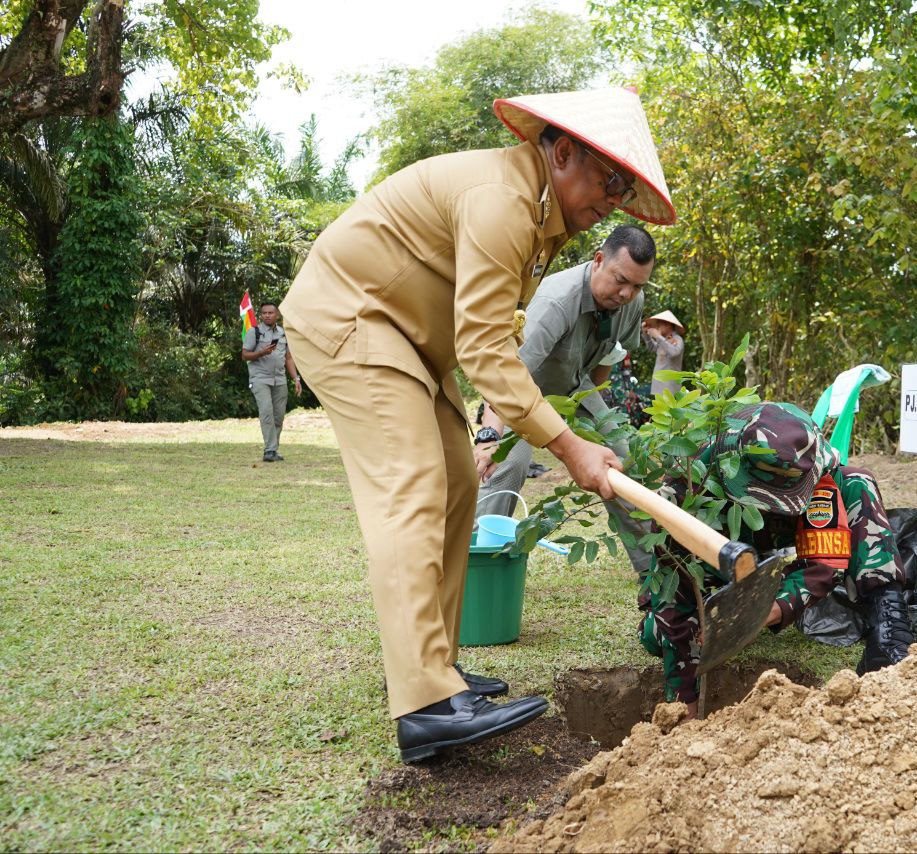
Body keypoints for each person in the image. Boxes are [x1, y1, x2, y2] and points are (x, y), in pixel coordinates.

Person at [279, 87, 676, 762]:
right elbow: (488, 350)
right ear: (561, 151)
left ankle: (435, 669)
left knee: (460, 480)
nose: (613, 200)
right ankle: (425, 702)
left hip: (404, 338)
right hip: (352, 318)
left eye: (623, 189)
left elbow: (490, 326)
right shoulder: (503, 201)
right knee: (413, 483)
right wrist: (568, 445)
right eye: (609, 181)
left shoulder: (542, 223)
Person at [637, 402, 914, 720]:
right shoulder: (689, 482)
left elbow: (825, 561)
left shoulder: (814, 464)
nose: (768, 507)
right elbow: (675, 590)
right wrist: (683, 701)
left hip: (774, 552)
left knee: (857, 481)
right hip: (715, 558)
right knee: (655, 637)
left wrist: (766, 611)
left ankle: (889, 633)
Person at [473, 224, 655, 574]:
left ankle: (655, 571)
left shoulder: (632, 301)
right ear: (599, 260)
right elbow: (507, 374)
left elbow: (606, 359)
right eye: (620, 280)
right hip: (524, 393)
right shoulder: (557, 300)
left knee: (623, 461)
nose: (627, 293)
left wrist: (594, 425)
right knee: (507, 465)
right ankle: (480, 568)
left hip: (575, 390)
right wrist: (490, 436)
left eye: (637, 285)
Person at [241, 302, 302, 462]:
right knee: (266, 412)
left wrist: (296, 378)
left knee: (278, 416)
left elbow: (288, 358)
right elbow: (245, 355)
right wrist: (260, 353)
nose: (267, 315)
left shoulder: (283, 333)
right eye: (264, 313)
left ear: (277, 315)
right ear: (261, 315)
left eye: (270, 313)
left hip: (280, 379)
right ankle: (269, 450)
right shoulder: (254, 332)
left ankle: (273, 450)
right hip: (260, 378)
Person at [642, 310, 685, 397]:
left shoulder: (677, 339)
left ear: (667, 325)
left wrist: (658, 336)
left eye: (659, 325)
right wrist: (646, 334)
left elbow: (673, 352)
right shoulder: (663, 340)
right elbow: (652, 348)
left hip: (670, 386)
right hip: (659, 385)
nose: (657, 328)